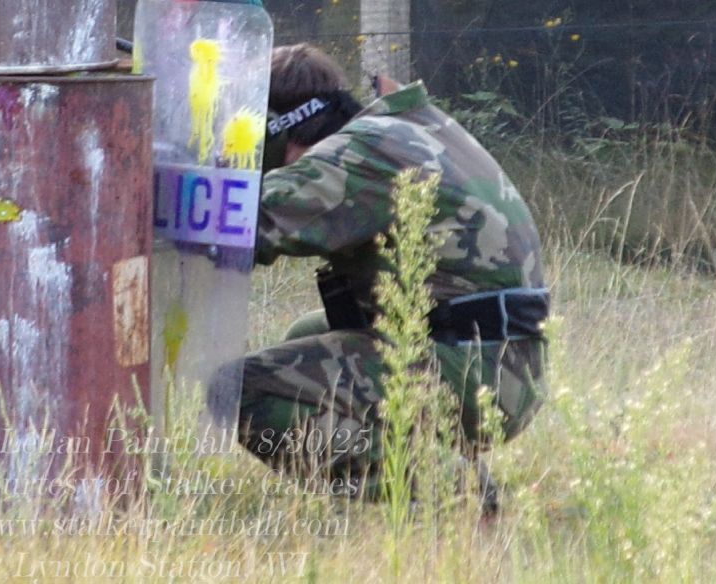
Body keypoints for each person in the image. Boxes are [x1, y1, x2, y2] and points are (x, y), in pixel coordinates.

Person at [229, 43, 549, 504]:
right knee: (307, 337)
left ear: (277, 130)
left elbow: (241, 222)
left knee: (242, 391)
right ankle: (436, 465)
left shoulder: (361, 154)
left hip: (478, 377)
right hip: (501, 362)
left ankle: (455, 494)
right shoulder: (399, 131)